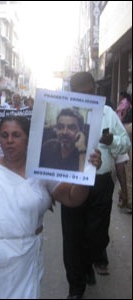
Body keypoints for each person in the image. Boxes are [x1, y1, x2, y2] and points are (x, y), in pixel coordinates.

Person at [0, 115, 101, 299]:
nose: (9, 141)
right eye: (4, 135)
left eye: (16, 135)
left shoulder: (42, 172)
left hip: (26, 260)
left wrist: (90, 170)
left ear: (28, 138)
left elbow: (72, 198)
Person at [61, 72, 131, 299]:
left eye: (89, 91)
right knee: (72, 237)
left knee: (96, 237)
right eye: (79, 92)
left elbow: (125, 143)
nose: (85, 96)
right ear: (72, 92)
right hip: (72, 181)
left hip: (100, 183)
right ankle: (76, 288)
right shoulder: (65, 115)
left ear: (94, 90)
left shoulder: (109, 114)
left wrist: (111, 140)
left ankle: (88, 263)